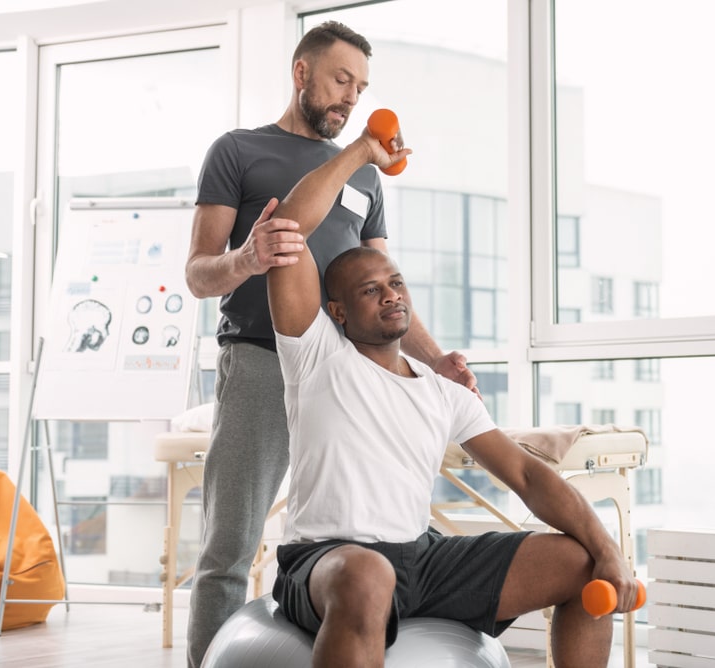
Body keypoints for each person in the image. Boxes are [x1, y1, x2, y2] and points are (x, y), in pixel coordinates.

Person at [261, 111, 640, 668]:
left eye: (396, 283)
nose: (391, 295)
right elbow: (287, 230)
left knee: (580, 560)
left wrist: (611, 550)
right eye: (370, 290)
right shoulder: (317, 356)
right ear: (337, 311)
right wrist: (364, 151)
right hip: (328, 561)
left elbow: (528, 475)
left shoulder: (443, 392)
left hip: (422, 559)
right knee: (369, 573)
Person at [183, 21, 476, 668]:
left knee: (356, 536)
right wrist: (246, 261)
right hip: (261, 361)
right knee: (228, 546)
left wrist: (437, 360)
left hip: (344, 377)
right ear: (301, 73)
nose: (351, 98)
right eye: (342, 80)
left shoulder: (367, 178)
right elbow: (198, 271)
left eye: (361, 86)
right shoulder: (237, 151)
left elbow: (381, 281)